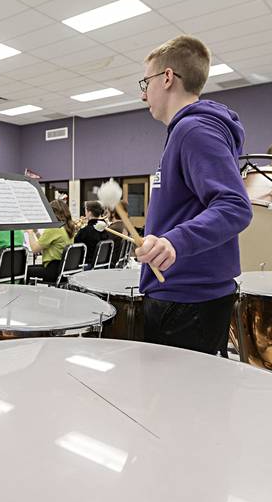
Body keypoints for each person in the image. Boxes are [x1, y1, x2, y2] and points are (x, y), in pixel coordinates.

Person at [134, 34, 253, 355]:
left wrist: (175, 241)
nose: (144, 94)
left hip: (187, 301)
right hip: (187, 295)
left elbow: (235, 206)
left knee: (174, 401)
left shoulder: (194, 130)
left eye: (146, 83)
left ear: (167, 77)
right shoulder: (188, 131)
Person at [26, 200, 74, 283]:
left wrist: (30, 232)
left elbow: (34, 249)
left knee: (25, 270)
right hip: (63, 270)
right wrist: (36, 233)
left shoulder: (54, 228)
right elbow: (45, 245)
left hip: (52, 270)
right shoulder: (68, 228)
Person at [74, 200, 108, 269]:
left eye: (86, 210)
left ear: (89, 213)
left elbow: (75, 248)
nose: (85, 213)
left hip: (87, 266)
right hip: (101, 265)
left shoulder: (84, 231)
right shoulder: (104, 229)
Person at [106, 201, 129, 267]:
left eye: (107, 212)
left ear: (113, 214)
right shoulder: (125, 226)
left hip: (111, 263)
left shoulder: (112, 229)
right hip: (120, 261)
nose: (106, 216)